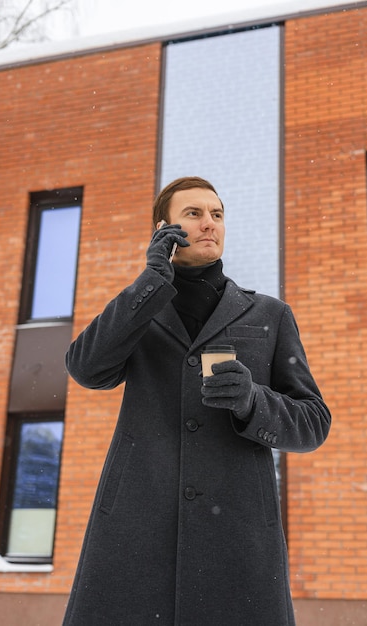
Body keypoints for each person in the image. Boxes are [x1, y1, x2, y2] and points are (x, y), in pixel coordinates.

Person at [62, 176, 331, 626]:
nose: (209, 224)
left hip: (239, 532)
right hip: (137, 526)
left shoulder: (269, 313)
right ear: (162, 230)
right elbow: (86, 369)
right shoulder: (139, 310)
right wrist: (150, 280)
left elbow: (313, 422)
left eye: (217, 214)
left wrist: (252, 401)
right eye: (194, 214)